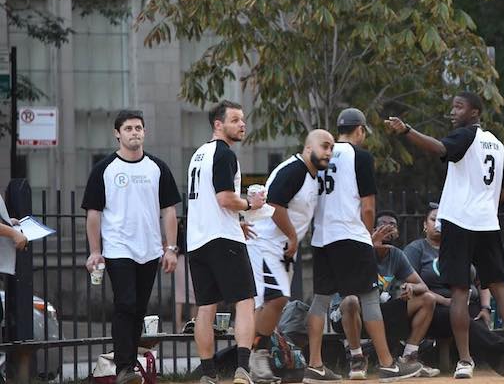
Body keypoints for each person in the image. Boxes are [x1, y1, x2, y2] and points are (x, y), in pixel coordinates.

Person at [386, 92, 504, 378]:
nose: (452, 112)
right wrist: (487, 202)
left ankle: (465, 361)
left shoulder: (465, 136)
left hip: (459, 222)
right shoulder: (496, 143)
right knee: (499, 287)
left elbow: (437, 148)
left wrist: (407, 131)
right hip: (487, 223)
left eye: (459, 106)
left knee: (459, 291)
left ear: (474, 113)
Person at [306, 108, 421, 383]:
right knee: (369, 298)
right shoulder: (361, 156)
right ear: (360, 130)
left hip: (322, 237)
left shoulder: (320, 154)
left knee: (320, 301)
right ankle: (387, 364)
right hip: (351, 235)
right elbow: (368, 206)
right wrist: (367, 232)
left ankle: (314, 365)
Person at [82, 110, 182, 384]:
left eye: (139, 127)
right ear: (118, 133)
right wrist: (95, 250)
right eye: (128, 128)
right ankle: (124, 368)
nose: (134, 132)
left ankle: (129, 364)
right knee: (125, 303)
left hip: (149, 250)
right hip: (117, 249)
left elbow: (169, 211)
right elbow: (93, 213)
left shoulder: (157, 167)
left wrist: (171, 248)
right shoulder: (104, 169)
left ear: (144, 132)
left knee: (138, 308)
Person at [186, 100, 267, 384]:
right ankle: (243, 370)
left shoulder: (198, 154)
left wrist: (237, 222)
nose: (242, 124)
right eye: (235, 120)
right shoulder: (224, 154)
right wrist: (250, 204)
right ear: (218, 124)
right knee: (245, 302)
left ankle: (208, 375)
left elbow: (209, 202)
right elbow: (224, 198)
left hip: (197, 241)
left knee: (205, 308)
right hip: (223, 240)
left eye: (242, 120)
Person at [246, 129, 335, 383]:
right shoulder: (295, 169)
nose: (328, 152)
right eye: (324, 146)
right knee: (274, 300)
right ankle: (255, 356)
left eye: (331, 148)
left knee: (271, 304)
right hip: (264, 243)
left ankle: (253, 360)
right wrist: (294, 237)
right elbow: (274, 205)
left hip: (280, 249)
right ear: (308, 148)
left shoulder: (312, 177)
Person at [403, 204, 504, 376]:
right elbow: (412, 287)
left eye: (442, 221)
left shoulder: (461, 248)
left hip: (467, 305)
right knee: (462, 319)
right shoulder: (416, 249)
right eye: (434, 220)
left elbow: (482, 281)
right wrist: (445, 301)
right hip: (434, 310)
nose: (438, 225)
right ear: (424, 224)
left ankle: (496, 359)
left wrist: (486, 308)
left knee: (473, 320)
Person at [330, 212, 440, 379]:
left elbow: (422, 286)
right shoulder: (359, 250)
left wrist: (411, 286)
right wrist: (371, 244)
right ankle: (357, 359)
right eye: (383, 224)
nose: (388, 228)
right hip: (347, 313)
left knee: (427, 299)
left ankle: (409, 358)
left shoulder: (396, 255)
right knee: (351, 301)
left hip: (377, 313)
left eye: (393, 225)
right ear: (372, 229)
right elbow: (349, 288)